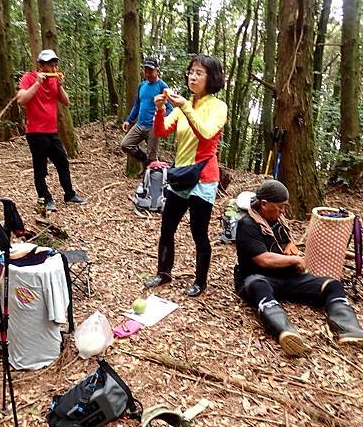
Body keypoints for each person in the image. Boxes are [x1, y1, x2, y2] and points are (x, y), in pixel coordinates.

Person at [235, 179, 363, 355]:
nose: (283, 211)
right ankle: (287, 332)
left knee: (332, 284)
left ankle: (350, 330)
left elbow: (286, 245)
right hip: (257, 277)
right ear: (264, 204)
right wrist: (294, 260)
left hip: (286, 278)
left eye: (284, 207)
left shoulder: (278, 222)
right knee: (258, 286)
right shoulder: (247, 224)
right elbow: (263, 259)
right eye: (280, 207)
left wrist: (290, 250)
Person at [144, 55, 227, 297]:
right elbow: (160, 130)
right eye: (191, 71)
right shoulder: (184, 104)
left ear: (211, 78)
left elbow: (207, 134)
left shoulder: (218, 107)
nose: (193, 76)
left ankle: (200, 281)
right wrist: (160, 109)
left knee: (198, 232)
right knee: (167, 226)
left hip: (203, 177)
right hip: (181, 175)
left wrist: (185, 107)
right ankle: (163, 272)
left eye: (199, 73)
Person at [17, 49, 86, 212]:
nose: (54, 67)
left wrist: (60, 86)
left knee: (63, 162)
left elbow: (66, 101)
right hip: (35, 132)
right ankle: (45, 199)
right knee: (40, 168)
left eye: (55, 63)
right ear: (40, 65)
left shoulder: (55, 81)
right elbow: (21, 100)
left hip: (52, 131)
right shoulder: (29, 78)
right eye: (50, 63)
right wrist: (37, 83)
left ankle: (69, 194)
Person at [121, 57, 172, 165]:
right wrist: (129, 120)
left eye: (151, 71)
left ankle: (150, 178)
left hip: (153, 128)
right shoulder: (142, 86)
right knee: (125, 144)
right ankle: (145, 160)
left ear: (157, 71)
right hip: (140, 125)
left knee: (152, 159)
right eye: (146, 71)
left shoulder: (162, 86)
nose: (148, 74)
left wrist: (160, 119)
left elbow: (169, 108)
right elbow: (137, 105)